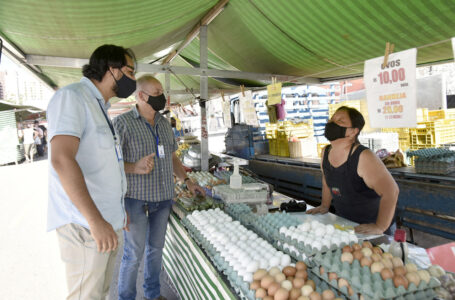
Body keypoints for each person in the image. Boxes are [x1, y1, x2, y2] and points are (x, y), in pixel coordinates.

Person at [46, 44, 136, 300]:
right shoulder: (72, 98)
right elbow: (62, 159)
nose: (132, 79)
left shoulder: (101, 106)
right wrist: (95, 220)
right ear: (112, 69)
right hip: (86, 225)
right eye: (129, 71)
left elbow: (105, 165)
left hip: (105, 221)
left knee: (100, 293)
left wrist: (117, 210)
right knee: (87, 295)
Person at [113, 75, 206, 300]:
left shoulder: (165, 124)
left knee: (155, 251)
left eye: (161, 92)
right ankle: (126, 297)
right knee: (133, 254)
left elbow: (172, 158)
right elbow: (110, 163)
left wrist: (187, 181)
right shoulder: (122, 123)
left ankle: (152, 295)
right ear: (141, 96)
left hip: (163, 200)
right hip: (135, 200)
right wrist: (134, 167)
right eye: (156, 93)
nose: (161, 97)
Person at [307, 106, 399, 235]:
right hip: (346, 224)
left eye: (340, 121)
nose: (331, 123)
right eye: (331, 119)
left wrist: (380, 226)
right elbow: (327, 182)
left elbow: (391, 191)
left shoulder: (363, 156)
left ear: (353, 131)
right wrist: (324, 205)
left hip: (371, 227)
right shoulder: (326, 152)